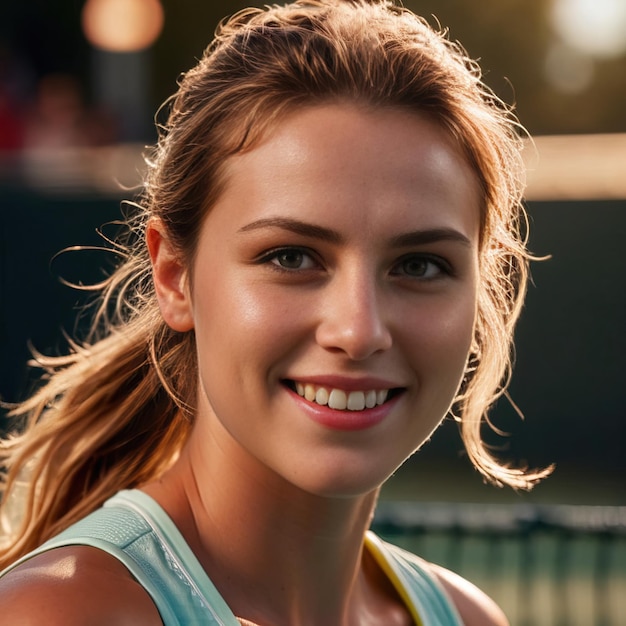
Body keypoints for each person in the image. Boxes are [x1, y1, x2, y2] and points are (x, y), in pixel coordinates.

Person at [0, 1, 551, 623]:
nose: (359, 330)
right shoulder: (63, 612)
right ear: (174, 277)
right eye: (291, 257)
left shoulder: (466, 617)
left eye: (420, 265)